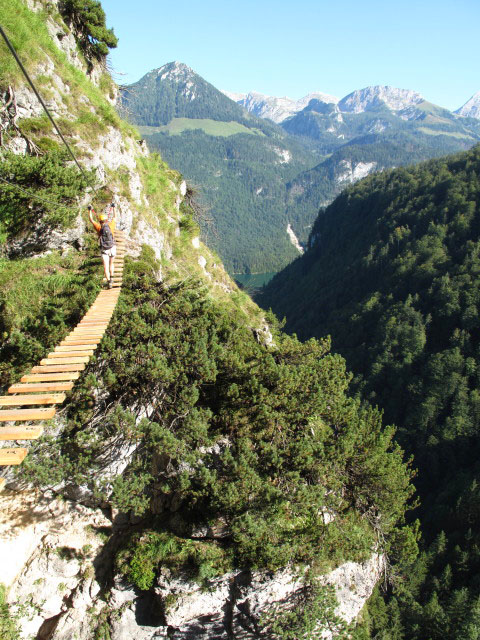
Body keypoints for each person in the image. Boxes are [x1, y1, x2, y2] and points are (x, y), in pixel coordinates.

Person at [88, 202, 116, 288]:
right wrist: (113, 207)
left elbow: (91, 220)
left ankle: (108, 282)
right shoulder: (110, 225)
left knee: (106, 266)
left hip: (104, 249)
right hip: (112, 247)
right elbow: (115, 217)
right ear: (106, 220)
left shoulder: (99, 227)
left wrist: (89, 210)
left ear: (100, 221)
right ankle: (112, 278)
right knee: (112, 263)